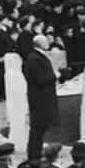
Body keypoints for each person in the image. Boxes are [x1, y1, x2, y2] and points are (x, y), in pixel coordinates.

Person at [21, 33, 59, 161]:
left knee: (39, 127)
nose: (48, 43)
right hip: (39, 97)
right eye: (45, 41)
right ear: (40, 44)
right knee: (37, 128)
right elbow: (40, 80)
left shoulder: (36, 57)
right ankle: (34, 155)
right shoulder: (35, 58)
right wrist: (56, 75)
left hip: (41, 96)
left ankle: (35, 153)